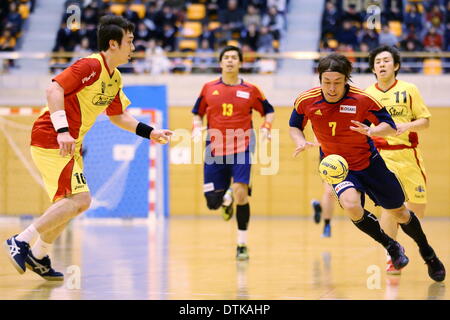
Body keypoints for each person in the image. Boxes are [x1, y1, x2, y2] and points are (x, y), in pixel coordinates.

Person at [3, 16, 173, 281]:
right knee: (80, 200)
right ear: (113, 44)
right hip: (50, 137)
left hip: (70, 145)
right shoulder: (90, 65)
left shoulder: (114, 78)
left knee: (68, 204)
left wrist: (151, 132)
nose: (134, 47)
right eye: (130, 41)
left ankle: (39, 255)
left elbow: (118, 117)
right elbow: (53, 89)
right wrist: (62, 130)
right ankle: (21, 240)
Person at [289, 53, 445, 282]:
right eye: (326, 82)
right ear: (319, 79)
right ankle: (391, 245)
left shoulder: (362, 99)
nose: (331, 88)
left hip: (370, 163)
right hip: (338, 166)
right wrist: (300, 141)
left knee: (400, 213)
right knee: (352, 206)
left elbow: (389, 126)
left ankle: (427, 253)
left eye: (337, 83)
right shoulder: (307, 100)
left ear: (346, 80)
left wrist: (372, 131)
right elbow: (294, 125)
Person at [191, 45, 275, 260]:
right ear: (220, 63)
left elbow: (269, 111)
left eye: (234, 57)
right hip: (214, 148)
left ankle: (241, 245)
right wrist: (196, 127)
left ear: (240, 63)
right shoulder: (208, 88)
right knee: (213, 203)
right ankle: (225, 200)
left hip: (242, 146)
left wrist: (266, 128)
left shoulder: (251, 89)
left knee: (241, 194)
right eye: (226, 57)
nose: (230, 60)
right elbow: (196, 114)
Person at [365, 45, 432, 275]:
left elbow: (425, 121)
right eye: (377, 62)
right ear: (373, 68)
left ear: (396, 66)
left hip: (409, 155)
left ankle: (404, 244)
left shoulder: (409, 89)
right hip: (382, 157)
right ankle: (392, 254)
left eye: (386, 61)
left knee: (417, 210)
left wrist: (406, 126)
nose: (381, 64)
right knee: (389, 205)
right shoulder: (367, 94)